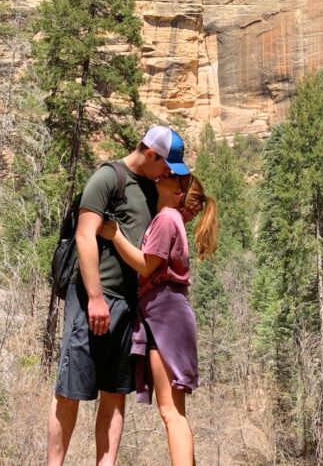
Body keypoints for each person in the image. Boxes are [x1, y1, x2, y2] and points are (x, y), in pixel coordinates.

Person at [47, 125, 189, 466]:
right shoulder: (109, 178)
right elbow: (85, 236)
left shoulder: (151, 188)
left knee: (114, 391)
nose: (169, 173)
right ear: (152, 154)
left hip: (129, 306)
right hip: (91, 299)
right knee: (70, 388)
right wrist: (95, 297)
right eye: (168, 165)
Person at [99, 172, 218, 466]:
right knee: (172, 411)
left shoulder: (166, 219)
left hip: (166, 314)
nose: (163, 176)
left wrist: (114, 234)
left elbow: (146, 264)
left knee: (171, 412)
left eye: (171, 177)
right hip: (162, 314)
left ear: (178, 192)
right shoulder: (168, 218)